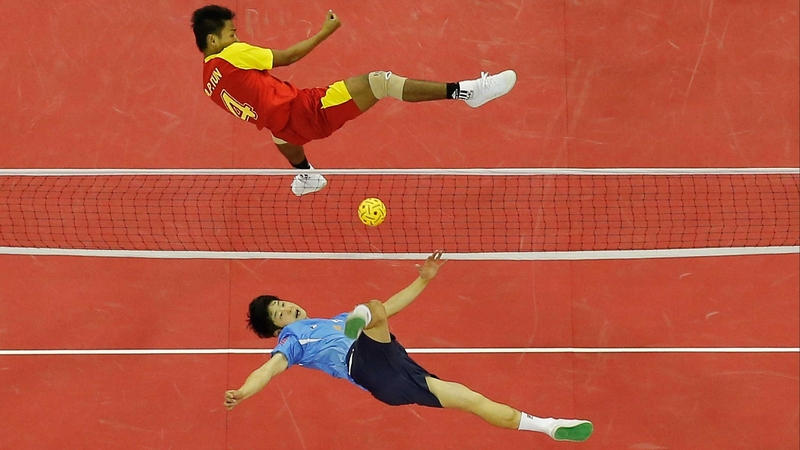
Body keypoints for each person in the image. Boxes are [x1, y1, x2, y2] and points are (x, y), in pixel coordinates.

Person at [224, 251, 593, 443]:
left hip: (397, 377)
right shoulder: (293, 341)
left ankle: (548, 426)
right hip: (365, 364)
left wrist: (424, 280)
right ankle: (364, 317)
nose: (287, 307)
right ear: (277, 327)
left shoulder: (332, 321)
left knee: (473, 400)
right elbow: (268, 369)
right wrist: (244, 390)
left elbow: (393, 306)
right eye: (279, 312)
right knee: (372, 307)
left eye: (283, 303)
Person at [192, 5, 518, 196]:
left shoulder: (208, 83)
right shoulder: (232, 54)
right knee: (380, 83)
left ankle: (307, 175)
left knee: (280, 133)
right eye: (231, 33)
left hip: (286, 128)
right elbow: (287, 57)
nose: (236, 37)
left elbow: (261, 107)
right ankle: (467, 91)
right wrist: (326, 31)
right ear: (213, 39)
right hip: (307, 109)